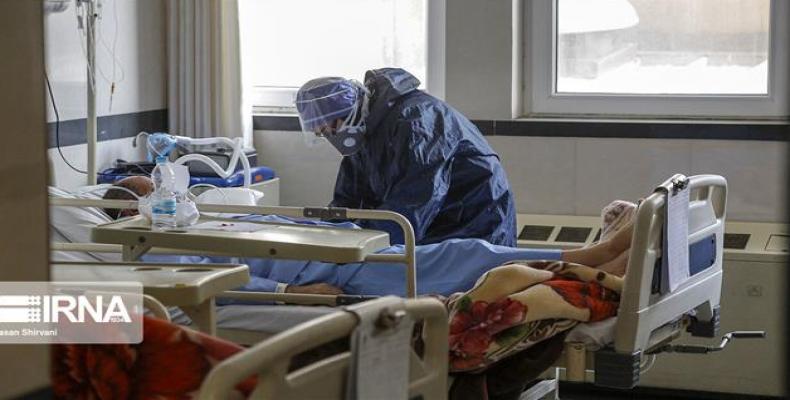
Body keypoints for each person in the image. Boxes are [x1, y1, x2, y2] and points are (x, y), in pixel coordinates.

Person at [56, 177, 632, 297]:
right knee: (465, 257)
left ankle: (592, 257)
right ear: (123, 213)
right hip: (326, 274)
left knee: (460, 252)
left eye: (161, 188)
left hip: (338, 251)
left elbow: (264, 229)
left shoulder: (195, 220)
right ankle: (594, 259)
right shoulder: (149, 249)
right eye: (144, 193)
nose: (161, 196)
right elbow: (220, 281)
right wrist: (286, 298)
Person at [295, 68, 517, 247]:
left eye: (329, 128)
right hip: (435, 226)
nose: (329, 136)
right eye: (320, 133)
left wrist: (358, 241)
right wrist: (326, 233)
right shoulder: (364, 133)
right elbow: (349, 201)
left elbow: (413, 205)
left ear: (347, 112)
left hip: (474, 226)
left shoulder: (417, 122)